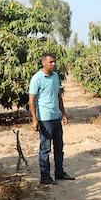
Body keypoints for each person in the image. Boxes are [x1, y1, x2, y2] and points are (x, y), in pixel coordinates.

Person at [29, 52, 76, 185]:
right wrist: (34, 119)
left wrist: (64, 113)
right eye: (51, 62)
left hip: (56, 117)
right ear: (43, 63)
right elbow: (31, 100)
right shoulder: (37, 78)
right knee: (45, 148)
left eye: (54, 61)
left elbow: (58, 95)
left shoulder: (55, 76)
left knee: (59, 146)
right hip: (44, 118)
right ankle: (45, 177)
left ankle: (59, 172)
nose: (54, 64)